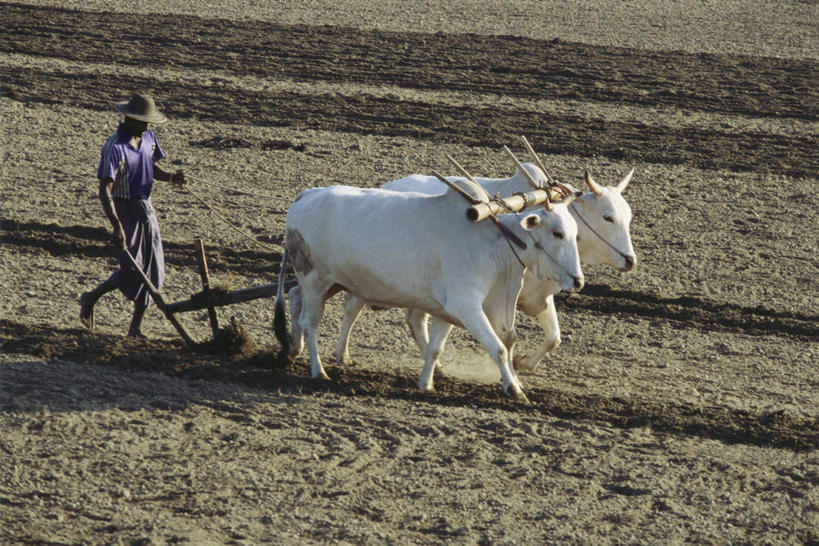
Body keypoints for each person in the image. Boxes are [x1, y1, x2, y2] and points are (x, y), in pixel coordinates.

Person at [80, 93, 185, 338]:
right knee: (132, 268)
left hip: (145, 208)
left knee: (152, 269)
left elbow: (152, 166)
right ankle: (91, 297)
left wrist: (170, 177)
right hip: (125, 210)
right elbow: (105, 190)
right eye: (143, 121)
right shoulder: (114, 146)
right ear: (129, 119)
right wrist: (116, 225)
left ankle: (135, 328)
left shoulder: (148, 138)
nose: (148, 126)